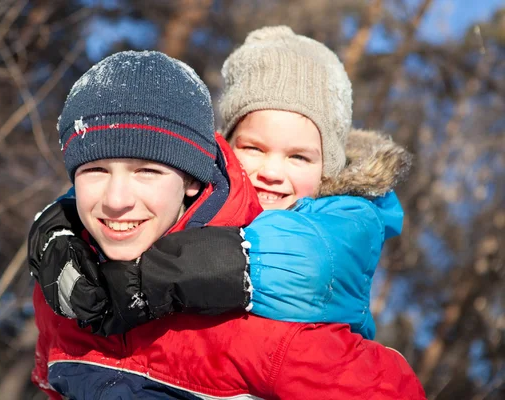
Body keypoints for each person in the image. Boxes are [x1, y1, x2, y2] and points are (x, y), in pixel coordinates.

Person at [30, 48, 425, 399]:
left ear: (328, 171)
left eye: (299, 157)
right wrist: (57, 226)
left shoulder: (329, 242)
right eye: (253, 148)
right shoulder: (72, 278)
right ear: (219, 155)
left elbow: (312, 260)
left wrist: (185, 271)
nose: (270, 171)